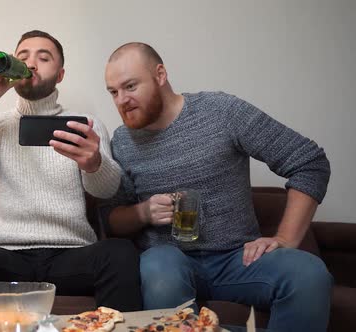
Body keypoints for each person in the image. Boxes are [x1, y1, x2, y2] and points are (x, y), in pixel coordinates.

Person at [102, 42, 332, 331]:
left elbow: (309, 161)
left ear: (160, 75)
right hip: (169, 263)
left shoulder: (222, 112)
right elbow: (111, 221)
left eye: (130, 86)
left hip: (238, 259)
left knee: (309, 273)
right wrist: (144, 213)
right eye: (113, 92)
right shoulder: (122, 141)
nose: (121, 100)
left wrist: (285, 239)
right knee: (158, 265)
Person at [0, 30, 142, 317]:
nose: (31, 64)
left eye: (43, 57)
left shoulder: (86, 126)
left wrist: (94, 163)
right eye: (23, 57)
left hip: (70, 254)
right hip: (7, 254)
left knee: (120, 252)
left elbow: (106, 191)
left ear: (60, 74)